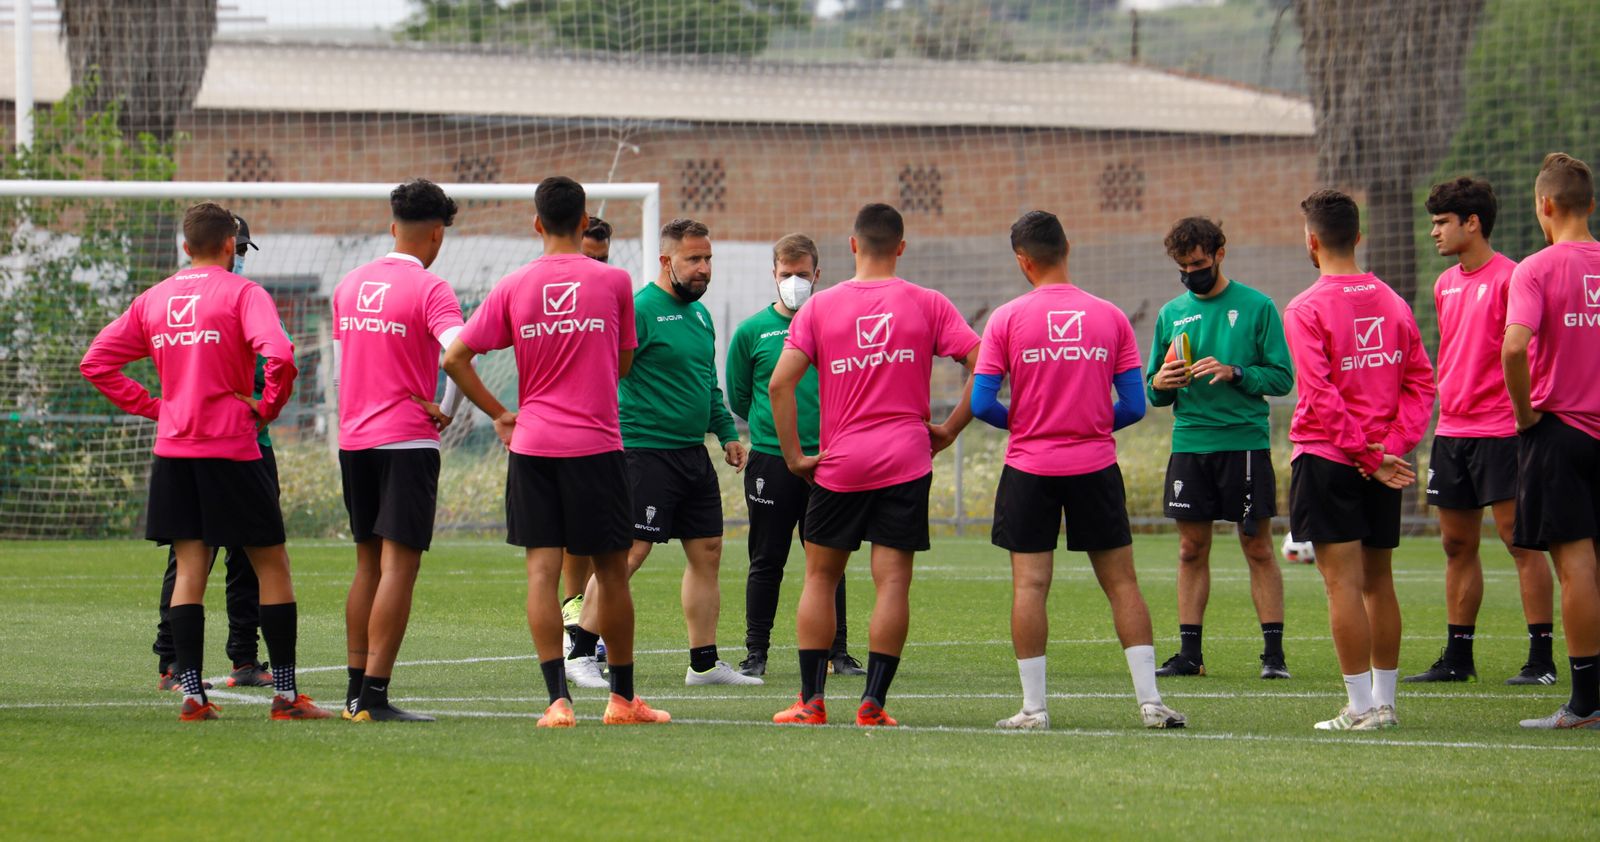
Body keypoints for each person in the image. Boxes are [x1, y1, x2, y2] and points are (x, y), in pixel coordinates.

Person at [81, 202, 330, 721]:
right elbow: (281, 356)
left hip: (175, 451)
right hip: (233, 448)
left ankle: (193, 697)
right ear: (229, 246)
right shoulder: (244, 293)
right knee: (272, 565)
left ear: (185, 247)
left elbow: (96, 362)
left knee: (190, 569)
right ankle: (287, 697)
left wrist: (159, 408)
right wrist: (266, 408)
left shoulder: (153, 299)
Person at [444, 176, 669, 726]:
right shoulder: (614, 280)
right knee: (611, 575)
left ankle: (557, 702)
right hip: (596, 446)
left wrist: (500, 413)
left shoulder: (514, 284)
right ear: (584, 219)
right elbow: (624, 364)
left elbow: (454, 358)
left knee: (541, 575)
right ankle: (622, 701)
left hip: (534, 447)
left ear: (537, 223)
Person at [974, 211, 1187, 730]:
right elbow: (1134, 406)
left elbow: (981, 403)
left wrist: (1026, 422)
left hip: (1030, 467)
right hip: (1095, 465)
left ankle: (1034, 710)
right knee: (1122, 584)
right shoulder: (1110, 317)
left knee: (1030, 587)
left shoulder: (1005, 319)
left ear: (1023, 261)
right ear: (1067, 247)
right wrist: (1087, 422)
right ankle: (1151, 704)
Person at [769, 203, 980, 727]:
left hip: (840, 464)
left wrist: (794, 457)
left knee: (820, 578)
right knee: (892, 584)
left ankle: (811, 702)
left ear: (853, 245)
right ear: (901, 247)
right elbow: (985, 365)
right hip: (906, 461)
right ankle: (873, 704)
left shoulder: (820, 308)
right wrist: (950, 428)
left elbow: (779, 384)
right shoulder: (928, 303)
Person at [566, 217, 760, 688]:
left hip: (692, 456)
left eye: (708, 258)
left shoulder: (701, 316)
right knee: (628, 555)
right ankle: (581, 652)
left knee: (708, 551)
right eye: (693, 259)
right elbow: (602, 375)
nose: (704, 268)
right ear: (666, 260)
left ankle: (704, 663)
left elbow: (706, 384)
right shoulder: (638, 310)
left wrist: (727, 434)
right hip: (643, 453)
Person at [1283, 189, 1434, 731]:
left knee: (1342, 585)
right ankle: (1384, 705)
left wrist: (1369, 455)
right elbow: (1422, 383)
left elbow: (1320, 395)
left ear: (1312, 241)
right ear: (1359, 237)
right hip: (1380, 462)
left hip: (1331, 458)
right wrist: (1391, 446)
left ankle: (1360, 707)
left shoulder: (1304, 308)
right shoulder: (1393, 301)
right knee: (1379, 581)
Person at [1408, 176, 1556, 686]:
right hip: (1452, 432)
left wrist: (1525, 417)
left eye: (1442, 222)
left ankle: (1541, 661)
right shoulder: (1444, 284)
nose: (1435, 232)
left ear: (1473, 223)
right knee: (1455, 544)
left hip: (1502, 432)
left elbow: (1528, 354)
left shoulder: (1513, 278)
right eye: (1433, 223)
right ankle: (1458, 658)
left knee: (1521, 543)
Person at [333, 179, 466, 722]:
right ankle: (374, 697)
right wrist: (448, 406)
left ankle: (353, 693)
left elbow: (342, 367)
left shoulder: (349, 284)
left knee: (367, 564)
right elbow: (458, 353)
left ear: (393, 227)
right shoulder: (433, 289)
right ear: (437, 234)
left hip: (353, 440)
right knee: (399, 569)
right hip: (407, 441)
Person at [1145, 217, 1295, 680]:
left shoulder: (1257, 306)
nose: (1192, 274)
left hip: (1244, 443)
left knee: (1258, 547)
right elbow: (1154, 391)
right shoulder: (1171, 314)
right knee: (1191, 549)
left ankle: (1274, 658)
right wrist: (1161, 382)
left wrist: (1236, 372)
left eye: (1199, 264)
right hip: (1191, 443)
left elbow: (1282, 378)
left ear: (1219, 255)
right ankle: (1190, 656)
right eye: (1184, 268)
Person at [725, 233, 862, 678]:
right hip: (771, 460)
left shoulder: (836, 325)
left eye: (802, 274)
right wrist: (772, 429)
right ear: (774, 274)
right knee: (767, 559)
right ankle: (756, 654)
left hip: (828, 460)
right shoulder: (751, 332)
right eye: (786, 275)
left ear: (817, 274)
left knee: (829, 560)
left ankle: (837, 653)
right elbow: (741, 396)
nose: (794, 282)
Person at [152, 214, 271, 692]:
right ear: (220, 245)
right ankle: (172, 661)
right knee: (189, 557)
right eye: (236, 247)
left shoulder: (251, 299)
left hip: (251, 444)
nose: (237, 257)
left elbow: (276, 359)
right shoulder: (217, 300)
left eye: (244, 250)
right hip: (214, 444)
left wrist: (263, 402)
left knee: (247, 557)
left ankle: (244, 657)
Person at [1503, 153, 1600, 730]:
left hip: (1560, 431)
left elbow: (1515, 346)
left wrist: (1523, 414)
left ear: (1545, 205)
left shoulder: (1535, 268)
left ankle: (1585, 703)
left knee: (1577, 567)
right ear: (1590, 204)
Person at [559, 216, 613, 639]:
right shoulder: (552, 298)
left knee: (605, 536)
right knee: (570, 531)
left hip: (607, 430)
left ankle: (591, 622)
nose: (596, 266)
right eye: (589, 256)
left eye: (603, 258)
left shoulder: (614, 296)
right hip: (560, 432)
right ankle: (571, 611)